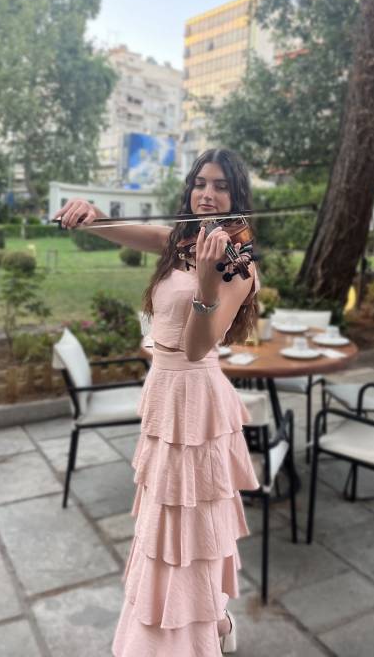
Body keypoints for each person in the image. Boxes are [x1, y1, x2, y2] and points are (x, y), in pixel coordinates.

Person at [55, 147, 261, 656]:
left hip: (196, 398)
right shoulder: (180, 240)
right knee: (165, 520)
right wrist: (93, 218)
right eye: (200, 183)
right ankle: (210, 623)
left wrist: (208, 283)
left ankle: (195, 632)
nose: (207, 194)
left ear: (237, 197)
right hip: (164, 394)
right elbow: (126, 231)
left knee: (189, 523)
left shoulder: (238, 266)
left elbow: (196, 347)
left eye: (221, 186)